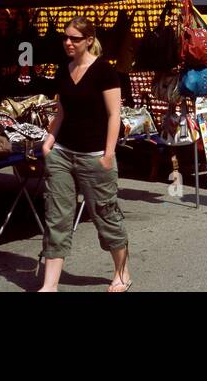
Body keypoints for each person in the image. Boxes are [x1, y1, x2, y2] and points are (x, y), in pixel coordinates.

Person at [39, 17, 129, 292]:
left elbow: (115, 115)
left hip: (95, 155)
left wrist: (108, 154)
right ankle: (50, 284)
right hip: (62, 154)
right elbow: (62, 111)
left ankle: (122, 273)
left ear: (89, 40)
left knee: (105, 215)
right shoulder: (63, 70)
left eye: (74, 38)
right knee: (56, 217)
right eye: (66, 37)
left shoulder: (104, 71)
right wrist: (49, 140)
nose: (68, 42)